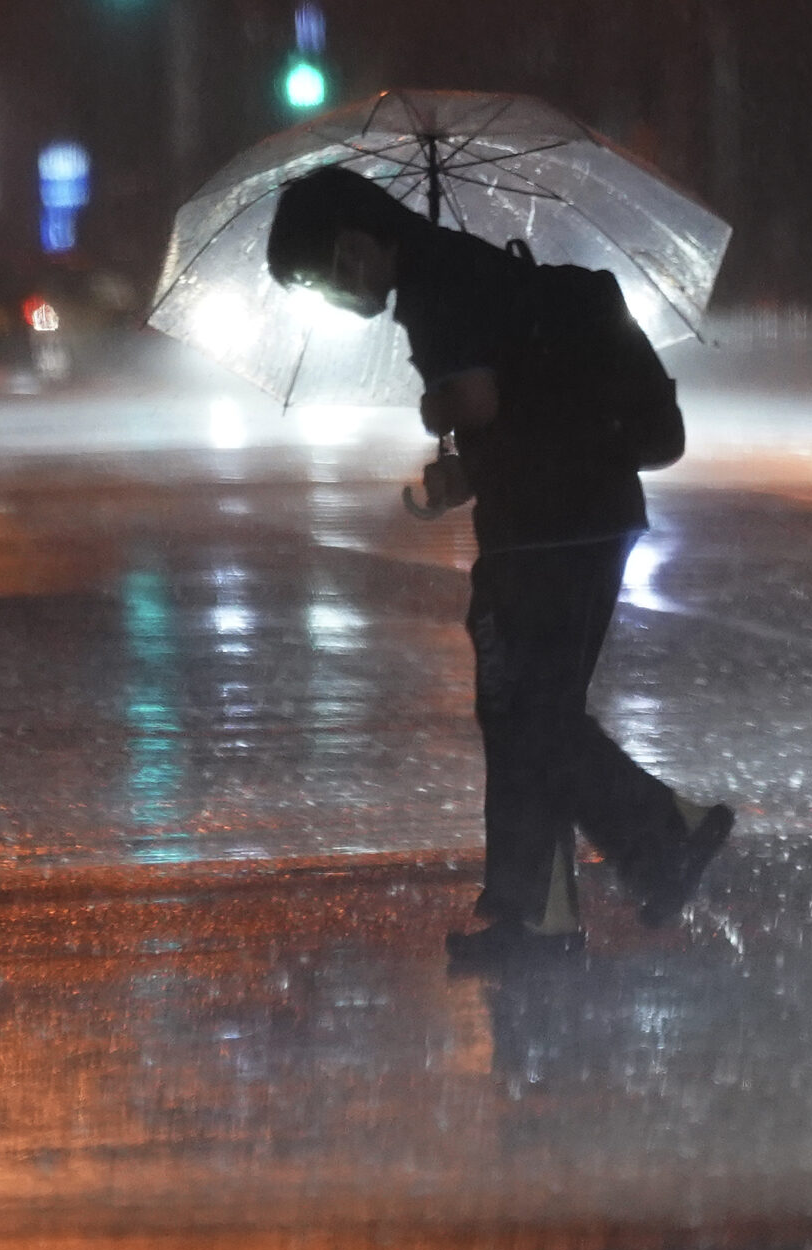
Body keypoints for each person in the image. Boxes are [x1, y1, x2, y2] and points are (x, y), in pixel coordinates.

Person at [265, 166, 734, 966]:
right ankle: (539, 916)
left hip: (554, 528)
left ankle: (668, 832)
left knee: (531, 714)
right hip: (571, 515)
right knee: (522, 715)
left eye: (326, 285)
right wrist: (463, 474)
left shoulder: (436, 281)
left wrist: (438, 409)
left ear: (351, 250)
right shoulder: (457, 269)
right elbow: (526, 409)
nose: (340, 303)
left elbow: (479, 402)